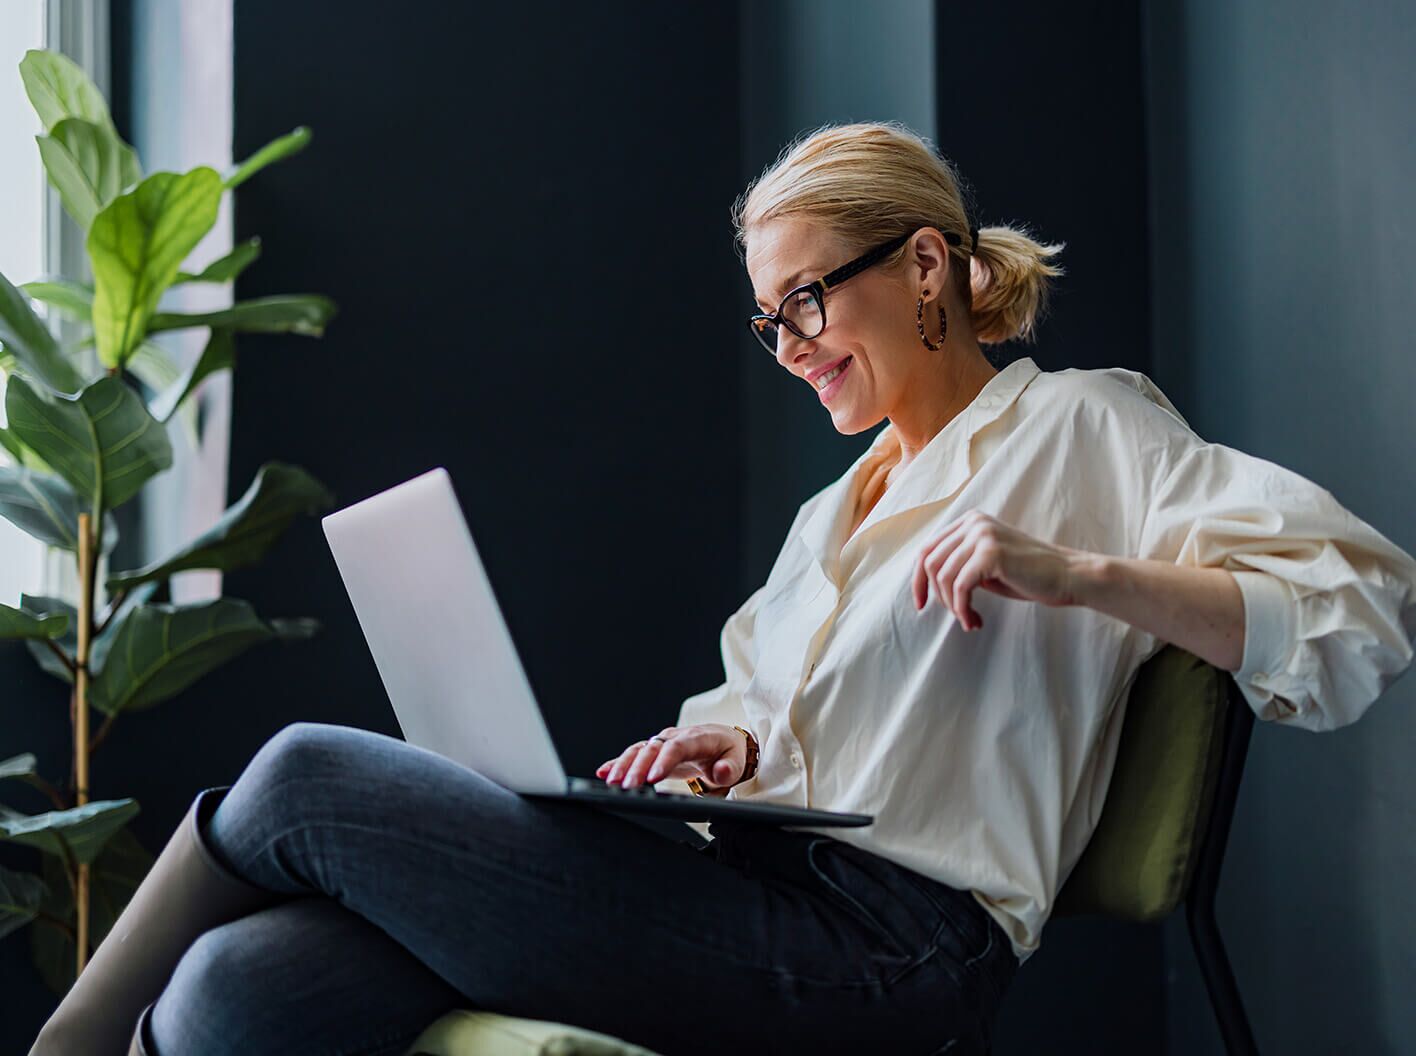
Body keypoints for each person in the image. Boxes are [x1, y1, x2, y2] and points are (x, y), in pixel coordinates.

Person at [31, 121, 1416, 1056]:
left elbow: (1362, 607)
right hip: (744, 888)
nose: (792, 344)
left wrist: (1080, 572)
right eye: (774, 319)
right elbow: (766, 709)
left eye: (810, 299)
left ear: (925, 261)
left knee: (300, 782)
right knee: (236, 991)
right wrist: (728, 748)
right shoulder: (833, 513)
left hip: (891, 948)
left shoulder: (1086, 431)